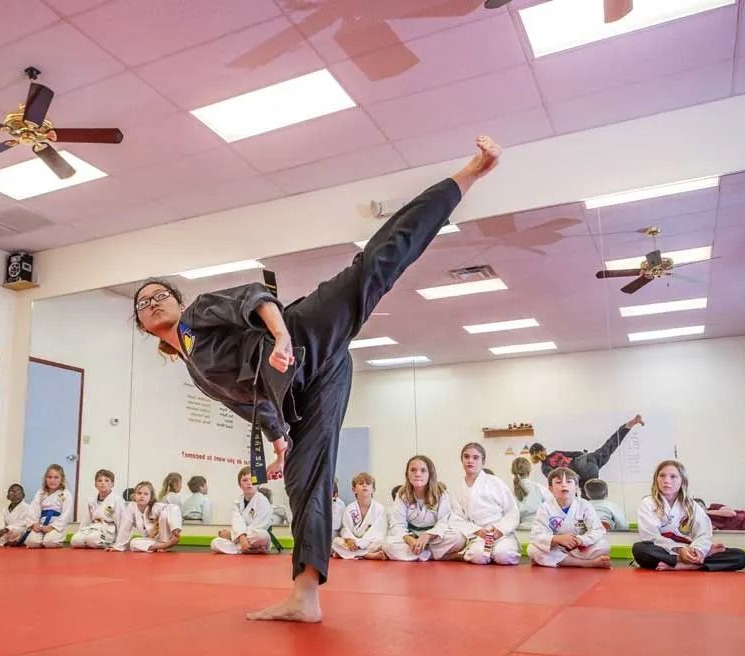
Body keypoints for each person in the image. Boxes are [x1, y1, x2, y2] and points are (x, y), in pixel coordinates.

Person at [132, 136, 501, 621]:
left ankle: (469, 174)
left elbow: (253, 298)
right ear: (142, 326)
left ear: (177, 301)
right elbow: (251, 402)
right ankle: (304, 596)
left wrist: (282, 336)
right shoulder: (194, 368)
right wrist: (280, 441)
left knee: (372, 267)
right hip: (304, 387)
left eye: (159, 294)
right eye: (143, 303)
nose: (152, 302)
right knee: (305, 479)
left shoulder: (197, 314)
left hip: (301, 333)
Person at [631, 460, 745, 571]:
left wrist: (699, 550)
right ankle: (692, 562)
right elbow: (650, 536)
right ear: (656, 479)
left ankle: (684, 565)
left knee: (740, 556)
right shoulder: (648, 503)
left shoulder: (691, 505)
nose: (666, 480)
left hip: (689, 548)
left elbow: (703, 534)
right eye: (662, 475)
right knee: (640, 549)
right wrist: (679, 550)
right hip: (665, 549)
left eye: (673, 476)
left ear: (682, 480)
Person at [450, 442, 521, 566]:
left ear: (483, 462)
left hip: (500, 533)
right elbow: (457, 518)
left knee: (504, 556)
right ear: (461, 460)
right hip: (480, 535)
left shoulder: (495, 482)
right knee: (478, 557)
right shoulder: (457, 489)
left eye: (475, 457)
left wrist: (500, 529)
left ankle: (497, 552)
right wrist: (477, 531)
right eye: (466, 457)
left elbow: (512, 511)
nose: (470, 460)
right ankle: (485, 553)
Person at [383, 456, 465, 562]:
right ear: (407, 474)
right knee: (388, 545)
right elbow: (397, 524)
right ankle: (439, 556)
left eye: (423, 470)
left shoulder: (440, 493)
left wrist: (427, 536)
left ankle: (419, 555)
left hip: (433, 538)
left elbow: (444, 521)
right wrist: (409, 539)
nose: (418, 474)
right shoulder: (402, 494)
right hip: (412, 539)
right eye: (413, 470)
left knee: (458, 538)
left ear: (430, 473)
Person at [527, 468, 611, 568]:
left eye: (569, 481)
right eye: (558, 482)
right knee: (533, 550)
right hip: (556, 548)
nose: (564, 485)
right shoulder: (545, 508)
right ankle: (587, 563)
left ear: (576, 487)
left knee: (603, 546)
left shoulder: (584, 505)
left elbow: (597, 530)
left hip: (578, 548)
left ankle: (556, 560)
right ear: (550, 489)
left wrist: (581, 540)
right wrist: (556, 539)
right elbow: (537, 535)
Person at [529, 414, 644, 483]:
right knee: (610, 445)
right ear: (544, 450)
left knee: (589, 500)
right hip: (588, 459)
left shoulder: (545, 468)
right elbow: (576, 454)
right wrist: (585, 456)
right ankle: (630, 424)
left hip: (582, 474)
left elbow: (559, 481)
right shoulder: (555, 453)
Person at [210, 467, 273, 555]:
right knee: (215, 543)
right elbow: (237, 522)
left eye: (252, 480)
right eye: (245, 480)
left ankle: (242, 547)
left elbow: (259, 526)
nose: (249, 483)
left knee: (263, 536)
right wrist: (241, 537)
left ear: (258, 484)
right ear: (240, 484)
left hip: (255, 536)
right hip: (241, 537)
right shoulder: (237, 502)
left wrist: (232, 535)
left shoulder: (263, 501)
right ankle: (251, 549)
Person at [109, 481, 182, 553]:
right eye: (139, 493)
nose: (142, 496)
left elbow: (173, 508)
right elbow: (125, 528)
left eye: (146, 494)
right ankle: (164, 546)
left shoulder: (156, 506)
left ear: (151, 497)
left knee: (164, 514)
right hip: (152, 541)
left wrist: (175, 528)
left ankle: (165, 543)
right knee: (133, 543)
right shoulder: (131, 507)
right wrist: (118, 547)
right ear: (134, 495)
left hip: (165, 537)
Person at [331, 473, 387, 560]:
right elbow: (345, 528)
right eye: (361, 483)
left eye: (368, 483)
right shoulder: (349, 508)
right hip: (353, 543)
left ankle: (349, 554)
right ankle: (367, 555)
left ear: (373, 489)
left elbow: (379, 532)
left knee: (381, 542)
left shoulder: (379, 509)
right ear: (354, 490)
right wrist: (349, 540)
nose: (364, 485)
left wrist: (360, 544)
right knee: (336, 542)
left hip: (370, 543)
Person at [23, 464, 74, 548]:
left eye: (56, 477)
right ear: (45, 478)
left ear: (62, 479)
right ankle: (41, 539)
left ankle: (52, 540)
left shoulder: (66, 493)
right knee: (31, 542)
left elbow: (66, 514)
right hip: (41, 524)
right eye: (49, 477)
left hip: (56, 526)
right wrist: (34, 524)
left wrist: (52, 526)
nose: (52, 480)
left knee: (49, 542)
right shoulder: (41, 493)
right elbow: (33, 509)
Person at [70, 469, 123, 549]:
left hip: (108, 530)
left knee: (92, 539)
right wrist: (81, 532)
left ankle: (107, 543)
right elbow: (86, 520)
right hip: (93, 527)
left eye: (106, 480)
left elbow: (120, 521)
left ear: (112, 484)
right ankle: (89, 542)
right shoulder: (91, 500)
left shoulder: (117, 500)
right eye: (99, 480)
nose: (103, 483)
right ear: (95, 484)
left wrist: (118, 543)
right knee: (75, 540)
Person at [510, 456, 550, 528]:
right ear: (529, 471)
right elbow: (551, 507)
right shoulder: (539, 488)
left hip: (521, 530)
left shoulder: (510, 492)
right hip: (540, 527)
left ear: (513, 472)